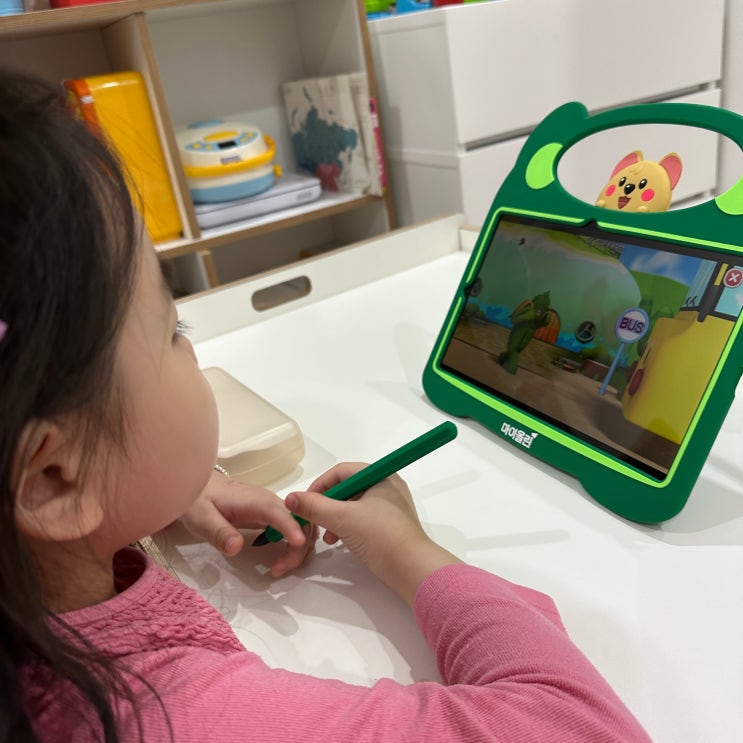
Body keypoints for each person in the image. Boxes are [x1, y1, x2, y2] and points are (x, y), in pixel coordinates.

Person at [0, 68, 651, 743]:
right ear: (51, 479)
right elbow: (578, 725)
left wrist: (150, 496)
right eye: (173, 330)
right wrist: (409, 549)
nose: (190, 351)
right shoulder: (168, 718)